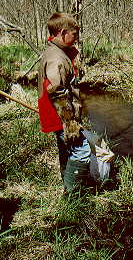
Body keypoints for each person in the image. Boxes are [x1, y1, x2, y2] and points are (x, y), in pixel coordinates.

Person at [37, 12, 93, 194]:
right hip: (61, 115)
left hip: (55, 115)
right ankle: (73, 194)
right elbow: (57, 92)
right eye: (74, 34)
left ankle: (67, 184)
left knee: (66, 150)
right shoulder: (57, 58)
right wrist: (70, 123)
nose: (76, 39)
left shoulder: (56, 52)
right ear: (62, 33)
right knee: (81, 150)